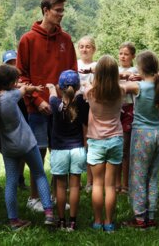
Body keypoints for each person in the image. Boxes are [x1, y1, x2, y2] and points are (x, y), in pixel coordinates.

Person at [16, 0, 77, 212]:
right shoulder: (28, 39)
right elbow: (21, 76)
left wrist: (67, 101)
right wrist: (37, 100)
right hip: (37, 107)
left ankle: (53, 195)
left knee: (60, 153)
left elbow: (73, 74)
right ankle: (35, 198)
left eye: (62, 10)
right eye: (57, 10)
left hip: (62, 108)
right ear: (45, 10)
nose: (61, 14)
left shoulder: (66, 40)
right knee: (38, 153)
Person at [0, 64, 54, 228]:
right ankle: (49, 213)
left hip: (8, 147)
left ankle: (14, 220)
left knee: (11, 182)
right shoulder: (12, 96)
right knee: (39, 174)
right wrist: (34, 87)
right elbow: (24, 90)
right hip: (27, 143)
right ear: (10, 84)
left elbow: (17, 88)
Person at [121, 50, 159, 229]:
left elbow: (119, 88)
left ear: (140, 68)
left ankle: (140, 218)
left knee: (139, 176)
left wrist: (128, 79)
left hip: (142, 136)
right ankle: (152, 215)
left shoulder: (138, 87)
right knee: (153, 176)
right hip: (157, 133)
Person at [84, 55, 125, 232]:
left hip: (96, 142)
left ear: (97, 73)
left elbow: (87, 83)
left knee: (97, 184)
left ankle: (97, 221)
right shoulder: (121, 91)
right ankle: (109, 222)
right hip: (115, 139)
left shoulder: (90, 92)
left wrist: (93, 72)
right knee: (110, 186)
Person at [46, 70, 89, 231]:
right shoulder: (80, 103)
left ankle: (61, 221)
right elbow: (80, 93)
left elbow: (51, 92)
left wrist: (51, 87)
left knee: (60, 187)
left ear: (60, 86)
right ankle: (73, 222)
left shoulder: (54, 103)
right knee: (75, 186)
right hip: (77, 149)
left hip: (59, 151)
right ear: (77, 86)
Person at [3, 49, 28, 190]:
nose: (13, 66)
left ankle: (20, 178)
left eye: (15, 62)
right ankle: (12, 179)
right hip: (8, 129)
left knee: (23, 151)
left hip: (22, 122)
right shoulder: (2, 89)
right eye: (9, 64)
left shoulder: (22, 81)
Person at [76, 36, 97, 193]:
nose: (84, 49)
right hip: (77, 103)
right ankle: (76, 180)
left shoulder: (97, 66)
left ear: (94, 49)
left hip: (91, 104)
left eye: (88, 46)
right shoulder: (75, 64)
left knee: (89, 141)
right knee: (78, 143)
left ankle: (91, 181)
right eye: (82, 46)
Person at [116, 42, 137, 194]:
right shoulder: (115, 70)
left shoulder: (135, 71)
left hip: (129, 110)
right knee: (116, 148)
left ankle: (125, 184)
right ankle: (116, 183)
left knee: (125, 148)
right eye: (121, 53)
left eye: (126, 54)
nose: (123, 56)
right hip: (115, 110)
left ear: (133, 56)